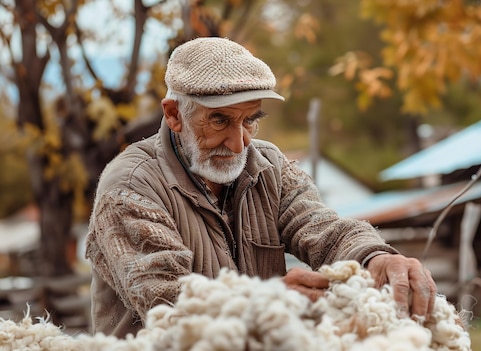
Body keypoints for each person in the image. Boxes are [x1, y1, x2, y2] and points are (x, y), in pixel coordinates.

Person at [85, 37, 437, 338]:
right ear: (174, 114)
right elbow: (167, 304)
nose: (239, 144)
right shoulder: (130, 187)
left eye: (250, 120)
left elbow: (323, 228)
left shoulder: (268, 166)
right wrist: (265, 301)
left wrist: (376, 257)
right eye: (220, 120)